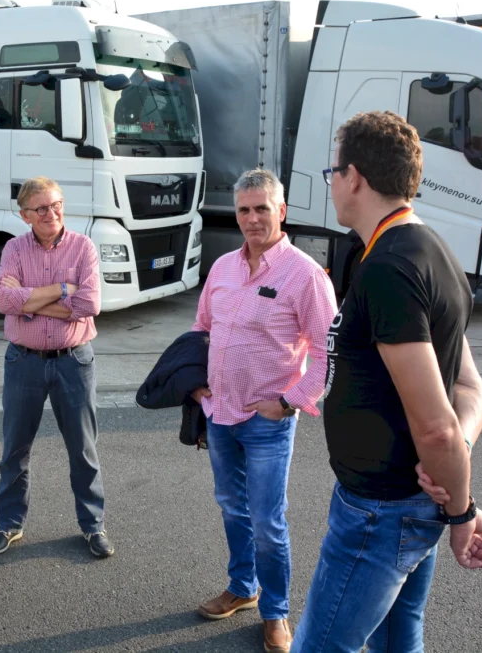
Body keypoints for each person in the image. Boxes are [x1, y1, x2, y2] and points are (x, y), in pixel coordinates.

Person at [292, 111, 482, 653]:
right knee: (397, 639)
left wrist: (462, 507)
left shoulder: (390, 267)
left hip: (379, 513)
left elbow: (438, 428)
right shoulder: (432, 252)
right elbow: (469, 393)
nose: (331, 181)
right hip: (401, 504)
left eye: (332, 170)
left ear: (354, 176)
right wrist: (454, 472)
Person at [191, 169, 337, 653]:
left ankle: (276, 611)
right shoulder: (223, 268)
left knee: (267, 521)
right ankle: (242, 586)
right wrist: (198, 390)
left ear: (282, 211)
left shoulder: (305, 275)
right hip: (218, 413)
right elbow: (202, 331)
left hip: (266, 423)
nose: (252, 219)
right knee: (232, 508)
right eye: (244, 210)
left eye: (261, 209)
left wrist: (288, 402)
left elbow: (329, 357)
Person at [0, 176, 114, 559]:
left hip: (74, 360)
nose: (51, 213)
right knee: (14, 450)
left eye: (56, 204)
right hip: (23, 360)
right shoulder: (13, 248)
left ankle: (93, 526)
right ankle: (9, 524)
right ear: (24, 215)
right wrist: (61, 290)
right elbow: (5, 301)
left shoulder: (83, 247)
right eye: (40, 208)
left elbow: (90, 305)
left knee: (83, 448)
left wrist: (29, 301)